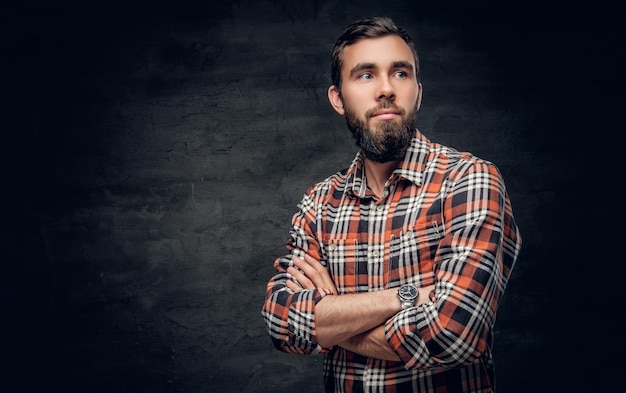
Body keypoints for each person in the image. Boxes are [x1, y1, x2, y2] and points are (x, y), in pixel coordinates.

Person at [261, 16, 522, 393]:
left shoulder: (469, 181)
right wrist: (410, 297)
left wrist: (332, 319)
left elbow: (453, 334)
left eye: (400, 73)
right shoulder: (319, 204)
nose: (386, 89)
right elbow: (281, 323)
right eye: (365, 75)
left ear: (418, 90)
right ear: (338, 98)